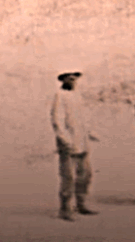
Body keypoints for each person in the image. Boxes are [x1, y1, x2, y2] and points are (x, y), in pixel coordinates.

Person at [50, 71, 99, 221]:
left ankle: (81, 204)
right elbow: (57, 120)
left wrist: (90, 132)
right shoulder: (60, 95)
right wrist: (65, 140)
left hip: (82, 142)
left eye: (74, 77)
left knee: (85, 175)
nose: (72, 80)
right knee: (68, 177)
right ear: (63, 79)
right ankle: (65, 209)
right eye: (69, 77)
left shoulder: (78, 95)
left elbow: (83, 118)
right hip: (68, 145)